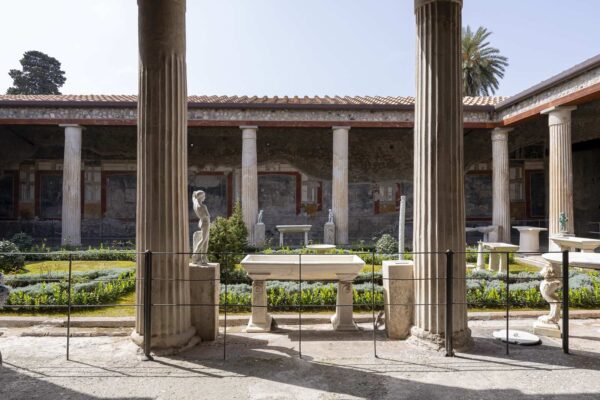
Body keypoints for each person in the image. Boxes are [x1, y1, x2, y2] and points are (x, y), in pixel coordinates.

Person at [191, 190, 210, 265]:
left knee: (205, 240)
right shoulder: (203, 206)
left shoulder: (195, 203)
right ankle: (195, 255)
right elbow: (208, 215)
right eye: (204, 196)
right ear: (201, 197)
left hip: (201, 222)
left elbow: (193, 197)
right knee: (204, 240)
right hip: (205, 223)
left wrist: (195, 193)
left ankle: (203, 257)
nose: (204, 197)